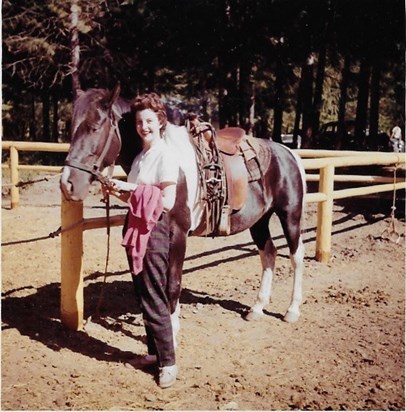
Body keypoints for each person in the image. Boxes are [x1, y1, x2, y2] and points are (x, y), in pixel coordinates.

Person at [104, 92, 180, 389]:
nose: (144, 126)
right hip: (136, 228)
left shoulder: (165, 155)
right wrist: (116, 191)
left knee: (153, 296)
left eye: (149, 120)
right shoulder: (139, 157)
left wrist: (128, 187)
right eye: (139, 121)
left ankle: (169, 362)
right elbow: (135, 195)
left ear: (160, 122)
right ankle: (154, 353)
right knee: (142, 294)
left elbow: (168, 201)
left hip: (154, 231)